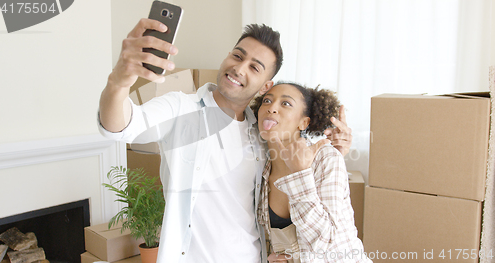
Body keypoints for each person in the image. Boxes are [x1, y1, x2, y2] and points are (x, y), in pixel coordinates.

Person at [98, 18, 353, 263]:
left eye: (254, 67)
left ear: (265, 85)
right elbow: (120, 126)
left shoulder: (262, 133)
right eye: (237, 56)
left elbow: (296, 154)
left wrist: (336, 148)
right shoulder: (180, 108)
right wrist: (119, 80)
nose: (239, 68)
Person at [251, 82, 371, 263]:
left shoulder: (326, 157)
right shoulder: (262, 168)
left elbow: (327, 244)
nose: (271, 108)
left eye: (286, 103)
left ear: (304, 122)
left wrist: (300, 174)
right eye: (267, 101)